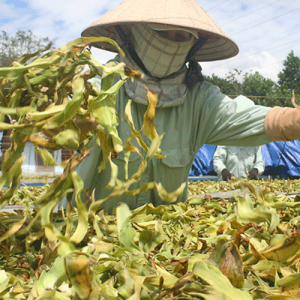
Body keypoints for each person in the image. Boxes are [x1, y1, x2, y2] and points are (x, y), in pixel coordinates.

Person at [73, 0, 300, 214]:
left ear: (193, 45)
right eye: (161, 31)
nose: (171, 42)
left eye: (181, 36)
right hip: (98, 240)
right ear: (132, 33)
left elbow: (247, 118)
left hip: (164, 242)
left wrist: (291, 121)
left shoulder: (198, 101)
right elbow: (59, 126)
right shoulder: (99, 89)